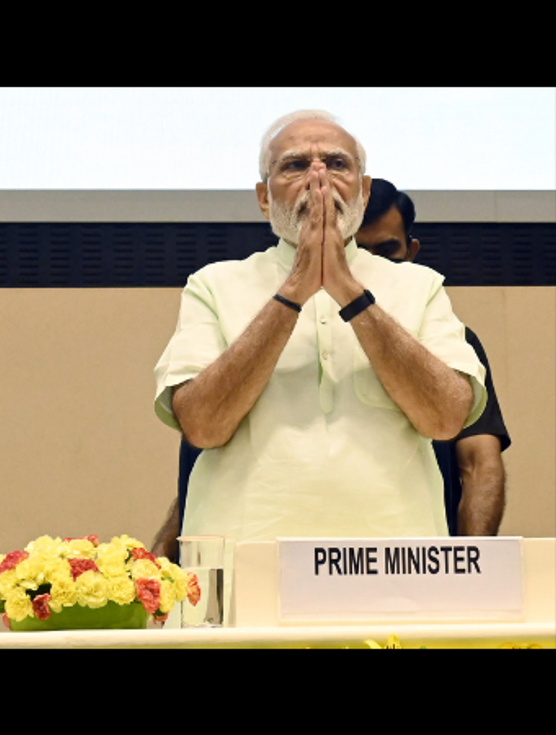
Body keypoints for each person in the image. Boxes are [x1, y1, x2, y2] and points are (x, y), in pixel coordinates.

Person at [152, 110, 486, 580]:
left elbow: (446, 418)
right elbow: (203, 426)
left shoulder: (420, 286)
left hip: (397, 567)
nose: (318, 177)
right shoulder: (213, 285)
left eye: (336, 163)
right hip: (247, 562)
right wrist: (293, 292)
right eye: (294, 165)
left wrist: (349, 291)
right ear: (265, 198)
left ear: (364, 191)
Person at [356, 179, 510, 536]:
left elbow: (480, 463)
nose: (375, 269)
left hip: (424, 557)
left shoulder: (454, 341)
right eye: (360, 255)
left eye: (387, 253)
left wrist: (474, 563)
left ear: (411, 252)